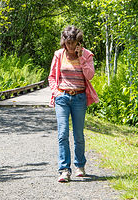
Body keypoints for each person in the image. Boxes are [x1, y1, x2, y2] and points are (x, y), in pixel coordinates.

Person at [48, 25, 99, 182]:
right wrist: (56, 93)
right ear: (64, 41)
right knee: (62, 134)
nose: (70, 46)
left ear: (79, 42)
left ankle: (80, 166)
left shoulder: (87, 55)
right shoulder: (59, 55)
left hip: (79, 98)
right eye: (68, 43)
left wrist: (81, 57)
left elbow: (89, 75)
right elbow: (51, 77)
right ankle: (64, 170)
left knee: (78, 135)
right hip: (62, 98)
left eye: (74, 43)